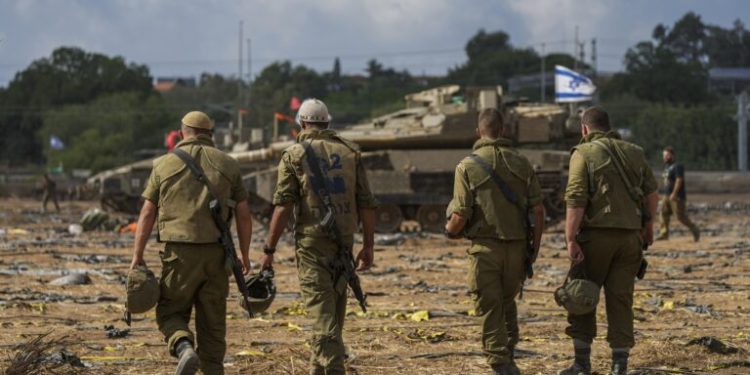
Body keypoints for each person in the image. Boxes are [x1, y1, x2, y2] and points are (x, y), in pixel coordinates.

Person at [129, 111, 253, 375]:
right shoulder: (229, 164)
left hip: (180, 255)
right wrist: (244, 254)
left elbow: (147, 213)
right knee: (213, 327)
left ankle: (183, 345)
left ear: (181, 131)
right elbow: (243, 214)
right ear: (210, 133)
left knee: (170, 312)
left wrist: (137, 256)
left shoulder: (163, 164)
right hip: (218, 255)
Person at [260, 98, 377, 375]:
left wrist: (268, 249)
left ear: (302, 123)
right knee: (333, 312)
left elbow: (284, 206)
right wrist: (368, 245)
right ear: (328, 122)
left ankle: (334, 368)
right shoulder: (351, 153)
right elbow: (367, 204)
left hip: (312, 244)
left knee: (322, 315)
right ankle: (318, 368)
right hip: (344, 243)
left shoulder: (294, 154)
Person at [445, 108, 545, 375]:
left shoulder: (467, 166)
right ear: (503, 130)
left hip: (486, 248)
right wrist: (534, 249)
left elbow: (460, 213)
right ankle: (509, 350)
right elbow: (538, 210)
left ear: (478, 132)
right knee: (506, 300)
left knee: (489, 306)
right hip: (518, 247)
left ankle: (499, 362)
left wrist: (450, 230)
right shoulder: (522, 162)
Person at [560, 107, 658, 375]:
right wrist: (648, 227)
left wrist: (570, 237)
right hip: (629, 239)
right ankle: (619, 365)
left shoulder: (583, 153)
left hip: (596, 238)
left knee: (581, 294)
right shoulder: (634, 151)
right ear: (609, 125)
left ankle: (582, 363)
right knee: (621, 299)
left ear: (584, 129)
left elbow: (576, 198)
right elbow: (652, 193)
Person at [656, 146, 700, 242]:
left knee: (680, 216)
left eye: (667, 155)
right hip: (667, 196)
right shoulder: (667, 168)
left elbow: (679, 180)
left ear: (673, 156)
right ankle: (664, 234)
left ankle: (695, 229)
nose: (665, 157)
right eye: (664, 155)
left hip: (677, 197)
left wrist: (674, 193)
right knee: (663, 213)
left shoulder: (678, 167)